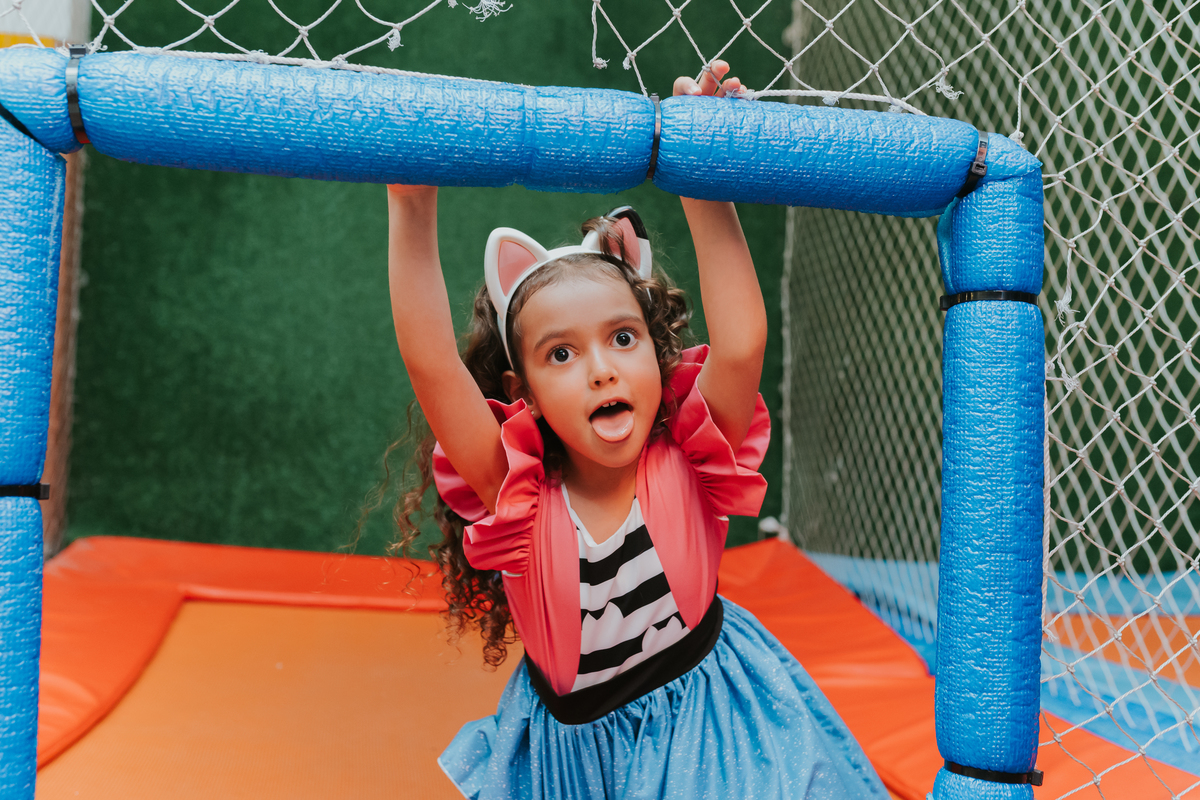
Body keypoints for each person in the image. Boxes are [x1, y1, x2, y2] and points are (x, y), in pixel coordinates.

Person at [384, 62, 888, 800]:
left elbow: (743, 341)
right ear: (521, 395)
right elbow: (432, 365)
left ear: (658, 354)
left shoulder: (691, 450)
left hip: (713, 726)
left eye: (623, 339)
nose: (601, 372)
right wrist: (411, 204)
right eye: (563, 354)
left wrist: (704, 181)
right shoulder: (513, 489)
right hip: (575, 758)